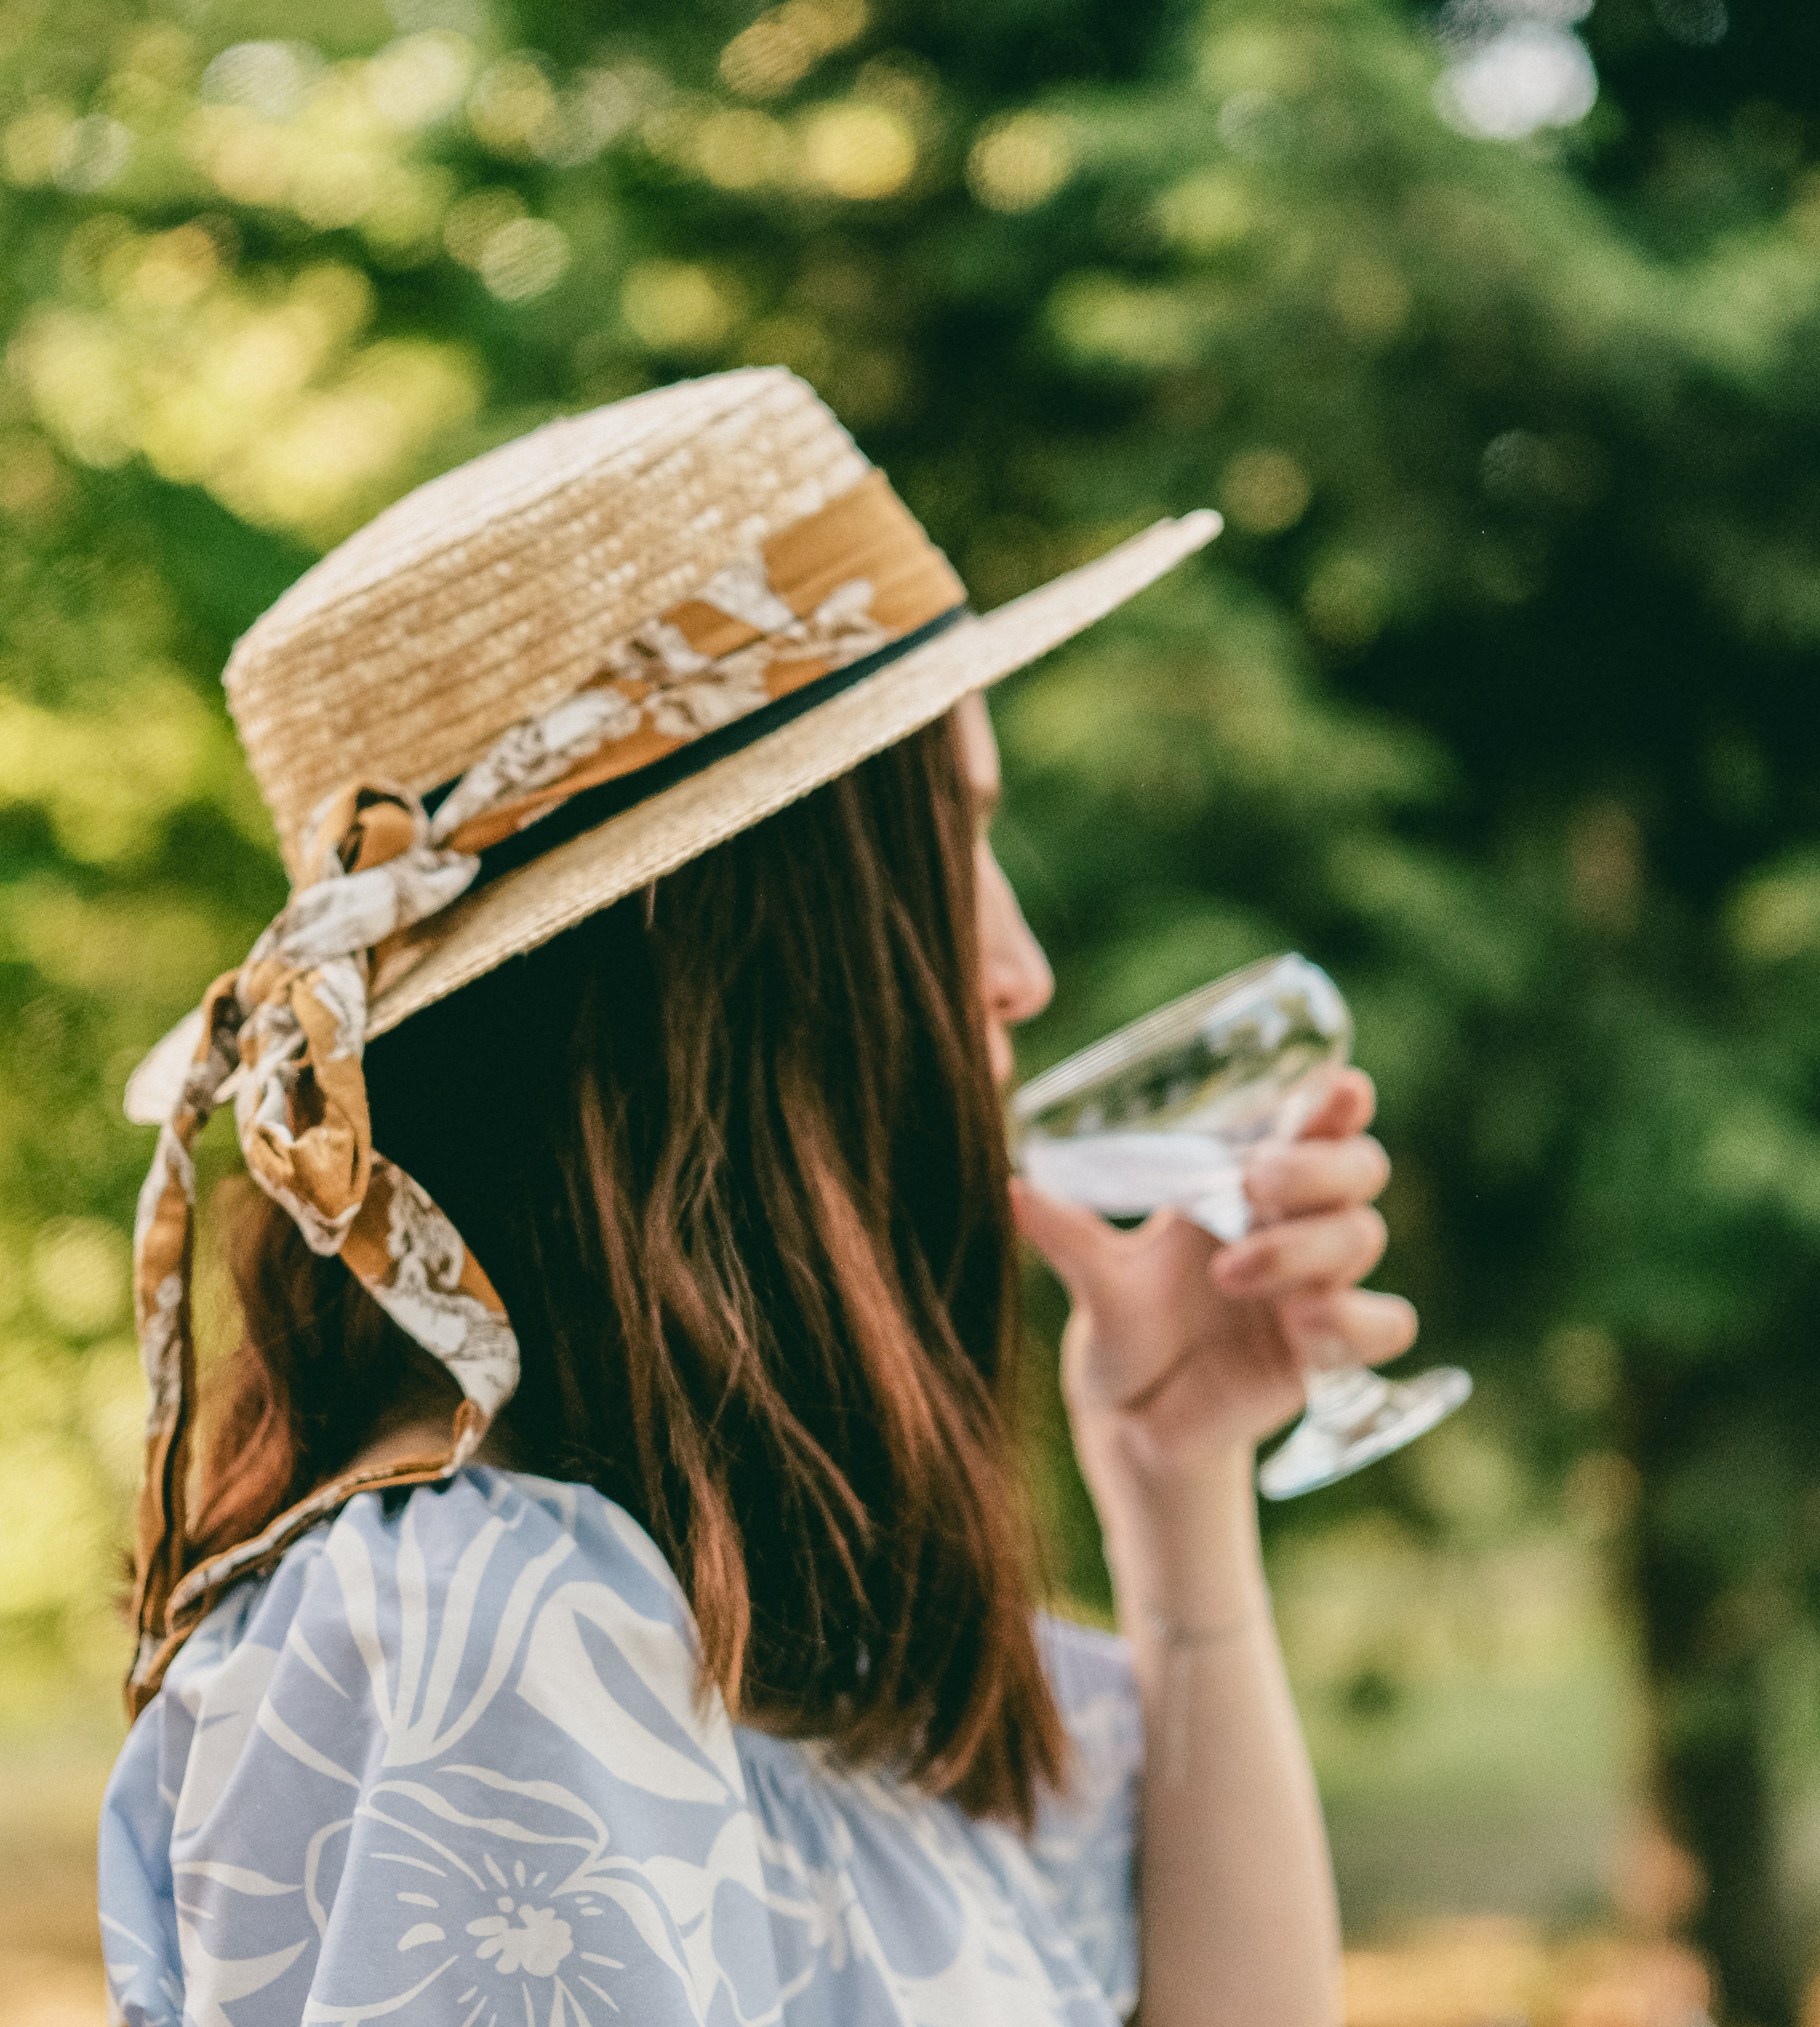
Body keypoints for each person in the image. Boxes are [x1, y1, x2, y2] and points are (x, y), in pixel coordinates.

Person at [97, 368, 1414, 2027]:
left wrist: (1177, 1481)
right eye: (952, 845)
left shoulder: (756, 1622)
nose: (1017, 966)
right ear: (744, 978)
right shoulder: (500, 1637)